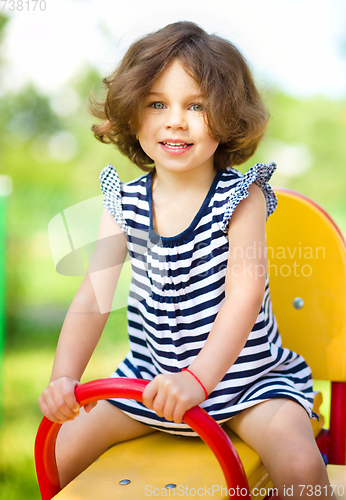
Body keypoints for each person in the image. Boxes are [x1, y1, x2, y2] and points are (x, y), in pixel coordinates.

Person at [39, 21, 334, 497]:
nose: (175, 120)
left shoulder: (241, 197)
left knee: (299, 464)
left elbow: (243, 296)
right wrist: (64, 379)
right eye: (157, 104)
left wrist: (200, 379)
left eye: (196, 106)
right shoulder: (125, 205)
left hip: (249, 386)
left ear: (228, 117)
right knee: (60, 450)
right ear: (134, 114)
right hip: (152, 384)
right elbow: (94, 297)